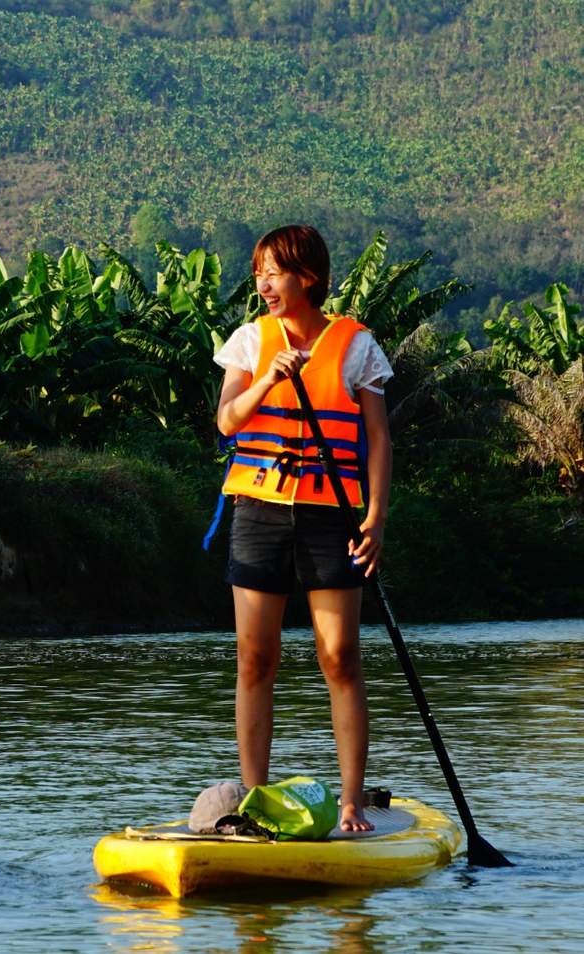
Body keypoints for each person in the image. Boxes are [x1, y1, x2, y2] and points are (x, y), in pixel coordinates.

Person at [213, 224, 393, 832]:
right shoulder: (248, 341)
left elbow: (378, 439)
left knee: (339, 655)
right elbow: (229, 421)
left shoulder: (356, 344)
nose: (263, 282)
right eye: (259, 271)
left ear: (307, 278)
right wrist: (268, 378)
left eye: (274, 271)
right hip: (258, 514)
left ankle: (349, 802)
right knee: (255, 658)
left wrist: (375, 516)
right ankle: (255, 803)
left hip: (331, 517)